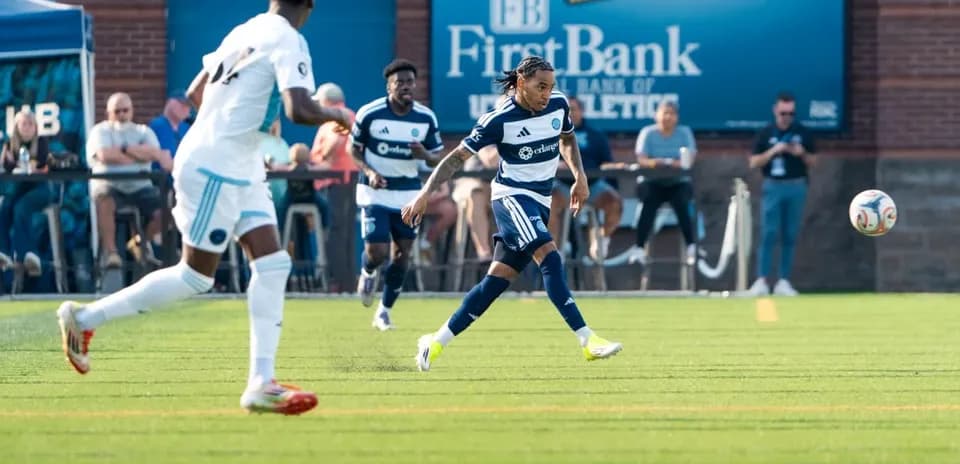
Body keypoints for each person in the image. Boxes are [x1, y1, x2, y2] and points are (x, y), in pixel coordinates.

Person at [56, 0, 352, 416]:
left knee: (272, 264)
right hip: (218, 166)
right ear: (311, 4)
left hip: (239, 163)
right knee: (195, 276)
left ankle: (261, 384)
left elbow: (196, 94)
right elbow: (300, 109)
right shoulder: (289, 38)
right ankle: (84, 319)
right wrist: (338, 114)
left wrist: (243, 114)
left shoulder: (243, 30)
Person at [401, 56, 622, 372]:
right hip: (511, 198)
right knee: (550, 256)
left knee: (495, 282)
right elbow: (456, 158)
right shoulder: (498, 119)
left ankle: (434, 343)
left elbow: (567, 138)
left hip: (539, 201)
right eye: (540, 86)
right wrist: (424, 194)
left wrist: (580, 176)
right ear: (521, 82)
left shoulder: (558, 105)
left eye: (550, 87)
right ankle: (587, 339)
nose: (547, 93)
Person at [350, 58, 444, 331]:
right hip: (375, 192)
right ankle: (368, 272)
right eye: (399, 82)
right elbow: (353, 150)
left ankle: (383, 312)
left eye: (409, 82)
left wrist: (424, 155)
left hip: (408, 194)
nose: (405, 87)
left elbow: (435, 156)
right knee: (377, 252)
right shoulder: (370, 113)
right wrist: (369, 172)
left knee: (403, 254)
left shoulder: (425, 118)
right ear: (388, 86)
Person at [86, 92, 172, 268]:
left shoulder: (143, 131)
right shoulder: (100, 131)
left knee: (167, 210)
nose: (122, 115)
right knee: (104, 201)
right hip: (109, 184)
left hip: (141, 186)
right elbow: (104, 155)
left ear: (132, 110)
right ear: (108, 112)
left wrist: (123, 149)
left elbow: (156, 154)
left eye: (125, 110)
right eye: (117, 111)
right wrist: (138, 155)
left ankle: (140, 242)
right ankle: (112, 254)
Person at [748, 92, 817, 296]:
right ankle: (762, 279)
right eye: (783, 112)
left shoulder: (802, 133)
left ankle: (783, 280)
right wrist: (773, 151)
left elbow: (814, 162)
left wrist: (801, 153)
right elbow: (753, 162)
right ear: (775, 111)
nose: (786, 117)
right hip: (773, 185)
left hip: (796, 185)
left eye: (791, 113)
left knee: (790, 234)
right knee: (769, 233)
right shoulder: (765, 133)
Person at [623, 101, 698, 267]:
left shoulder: (685, 133)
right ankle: (640, 247)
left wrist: (663, 162)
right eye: (664, 113)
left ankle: (692, 246)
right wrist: (662, 163)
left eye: (671, 113)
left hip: (678, 183)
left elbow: (688, 161)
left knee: (682, 202)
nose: (667, 117)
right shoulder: (647, 133)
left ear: (677, 117)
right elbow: (642, 160)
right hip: (652, 182)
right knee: (648, 202)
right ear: (656, 115)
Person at [549, 96, 623, 261]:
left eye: (573, 110)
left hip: (593, 186)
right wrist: (557, 165)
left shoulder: (596, 135)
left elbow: (606, 163)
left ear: (581, 111)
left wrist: (615, 167)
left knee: (614, 203)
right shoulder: (551, 134)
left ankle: (601, 241)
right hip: (563, 186)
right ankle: (553, 250)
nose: (570, 114)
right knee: (548, 203)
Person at [0, 109, 54, 278]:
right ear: (17, 126)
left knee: (21, 209)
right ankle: (3, 252)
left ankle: (29, 254)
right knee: (5, 206)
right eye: (24, 123)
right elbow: (7, 167)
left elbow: (44, 166)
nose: (27, 127)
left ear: (36, 126)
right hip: (19, 188)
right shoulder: (10, 144)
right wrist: (6, 158)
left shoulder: (42, 142)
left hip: (40, 188)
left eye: (30, 124)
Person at [148, 91, 192, 160]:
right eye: (182, 103)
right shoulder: (158, 126)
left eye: (188, 106)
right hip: (160, 170)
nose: (185, 108)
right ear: (170, 102)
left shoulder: (187, 129)